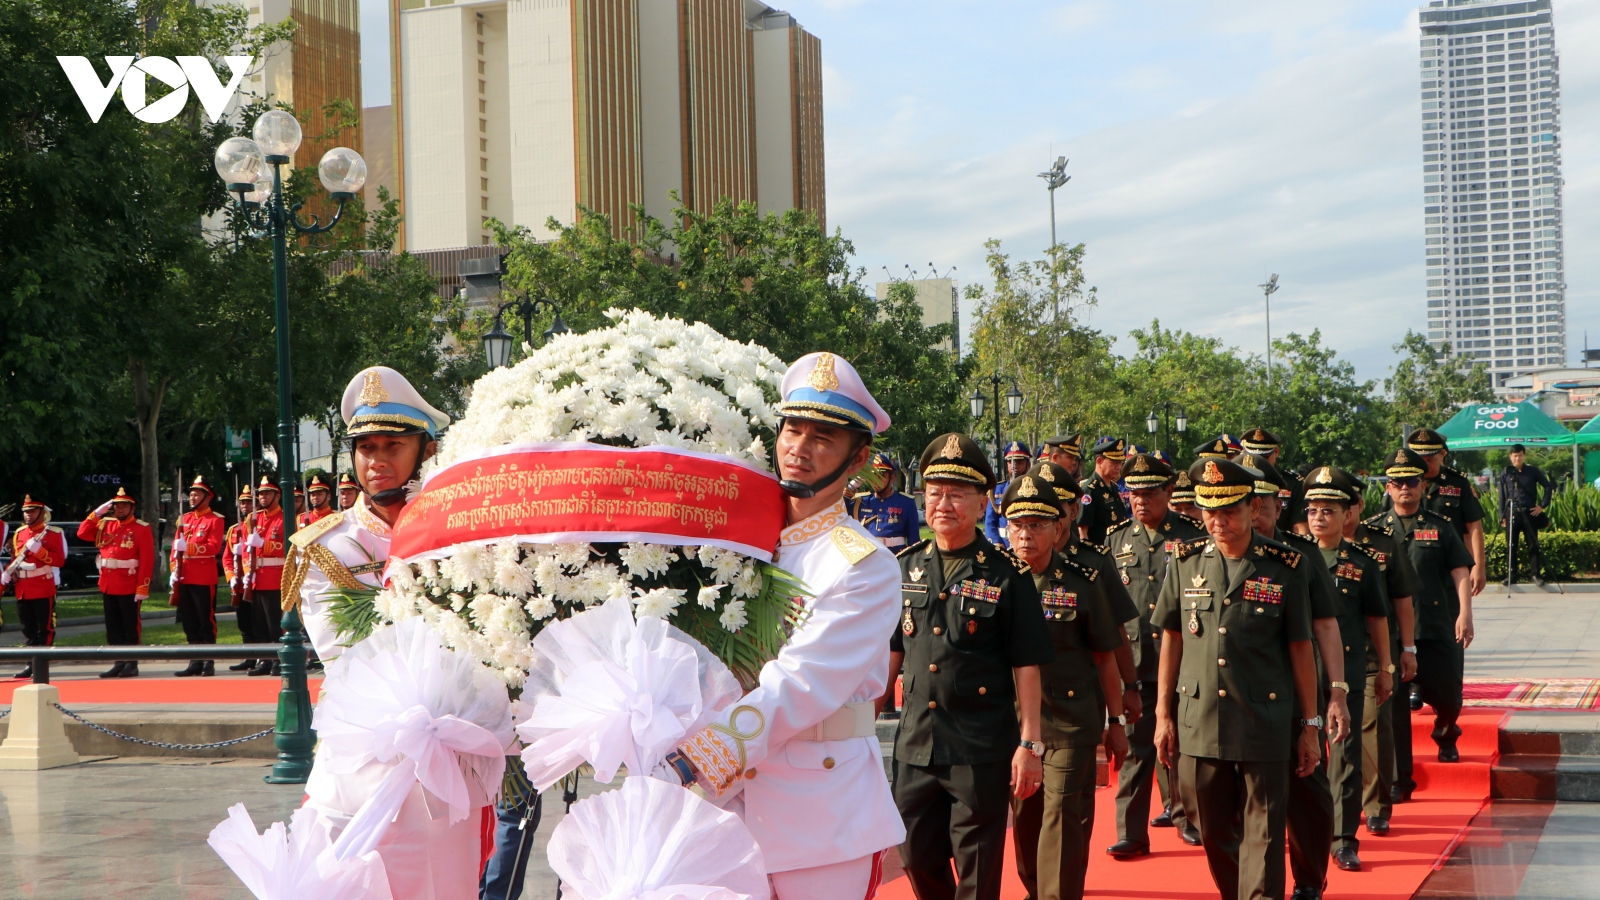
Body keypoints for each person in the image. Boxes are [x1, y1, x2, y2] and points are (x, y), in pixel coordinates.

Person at [654, 352, 905, 900]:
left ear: (858, 458)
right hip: (723, 809)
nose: (800, 447)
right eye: (793, 428)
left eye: (823, 437)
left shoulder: (862, 565)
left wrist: (710, 751)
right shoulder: (736, 543)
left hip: (821, 816)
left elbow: (803, 681)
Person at [287, 366, 483, 900]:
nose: (376, 461)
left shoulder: (464, 535)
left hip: (447, 758)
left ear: (425, 450)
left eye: (393, 445)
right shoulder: (328, 546)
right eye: (365, 446)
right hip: (362, 760)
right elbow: (345, 654)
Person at [871, 432, 1052, 900]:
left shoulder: (1007, 574)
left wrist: (1030, 744)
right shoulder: (903, 567)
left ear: (982, 500)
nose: (943, 504)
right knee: (913, 852)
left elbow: (1027, 665)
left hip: (980, 747)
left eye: (957, 493)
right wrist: (863, 722)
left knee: (977, 870)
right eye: (935, 493)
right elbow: (892, 652)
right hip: (916, 742)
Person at [1153, 459, 1321, 900]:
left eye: (1228, 510)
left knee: (1264, 835)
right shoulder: (1186, 561)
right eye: (1208, 510)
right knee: (1209, 829)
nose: (1217, 520)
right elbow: (1171, 636)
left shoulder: (1286, 565)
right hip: (1200, 718)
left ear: (1252, 508)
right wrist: (1162, 714)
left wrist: (1310, 724)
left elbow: (1301, 648)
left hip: (1264, 720)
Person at [1003, 473, 1130, 900]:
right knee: (1026, 822)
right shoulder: (996, 581)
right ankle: (1038, 890)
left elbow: (1104, 656)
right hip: (1015, 726)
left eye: (1037, 525)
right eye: (1017, 525)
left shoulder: (1080, 582)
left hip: (1070, 724)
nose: (1025, 534)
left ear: (1058, 527)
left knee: (1060, 816)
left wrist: (1117, 720)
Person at [1237, 452, 1351, 900]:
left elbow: (1326, 624)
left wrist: (1336, 693)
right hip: (1236, 701)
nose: (1255, 512)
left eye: (1262, 503)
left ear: (1276, 506)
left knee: (1308, 796)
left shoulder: (1299, 558)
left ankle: (1307, 881)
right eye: (1247, 503)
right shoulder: (1206, 558)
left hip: (1292, 699)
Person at [1105, 452, 1206, 858]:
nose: (1141, 501)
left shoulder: (1192, 535)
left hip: (1183, 658)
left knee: (1182, 744)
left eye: (1149, 493)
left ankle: (1187, 817)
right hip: (1135, 658)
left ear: (1168, 491)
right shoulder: (1116, 541)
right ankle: (1131, 831)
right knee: (1134, 748)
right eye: (1134, 494)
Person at [1300, 467, 1392, 875]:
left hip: (1349, 672)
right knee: (1303, 754)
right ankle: (1303, 834)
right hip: (1301, 672)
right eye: (1314, 510)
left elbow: (1377, 618)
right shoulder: (1295, 557)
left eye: (1329, 510)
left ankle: (1343, 839)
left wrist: (1386, 667)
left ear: (1346, 515)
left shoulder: (1362, 563)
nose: (1320, 517)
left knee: (1346, 756)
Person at [1365, 448, 1474, 764]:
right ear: (1387, 487)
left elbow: (1460, 570)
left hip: (1434, 622)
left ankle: (1445, 733)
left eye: (1411, 482)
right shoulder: (1373, 531)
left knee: (1448, 694)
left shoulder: (1440, 526)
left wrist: (1465, 613)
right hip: (1391, 630)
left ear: (1422, 486)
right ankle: (1400, 774)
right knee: (1393, 702)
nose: (1404, 488)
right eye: (1397, 483)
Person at [1337, 470, 1419, 833]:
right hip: (1327, 658)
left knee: (1373, 731)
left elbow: (1401, 599)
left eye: (1344, 506)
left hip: (1373, 654)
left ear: (1357, 506)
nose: (1336, 514)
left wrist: (1406, 649)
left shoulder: (1383, 544)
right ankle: (1340, 807)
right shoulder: (1307, 549)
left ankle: (1375, 807)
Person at [78, 486, 155, 678]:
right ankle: (118, 661)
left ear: (132, 508)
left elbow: (147, 560)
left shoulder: (141, 528)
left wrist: (142, 586)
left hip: (129, 584)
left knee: (130, 626)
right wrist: (96, 514)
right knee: (113, 627)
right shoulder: (106, 524)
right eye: (117, 506)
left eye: (124, 506)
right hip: (108, 583)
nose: (119, 509)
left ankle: (131, 663)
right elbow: (82, 533)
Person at [1405, 428, 1487, 596]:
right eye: (1420, 460)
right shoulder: (1403, 484)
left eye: (1430, 460)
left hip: (1449, 569)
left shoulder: (1458, 483)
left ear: (1442, 454)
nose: (1425, 465)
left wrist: (1478, 566)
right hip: (1411, 568)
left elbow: (1474, 525)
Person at [168, 475, 226, 678]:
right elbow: (175, 549)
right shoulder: (184, 519)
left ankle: (208, 661)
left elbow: (213, 547)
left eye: (196, 494)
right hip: (184, 576)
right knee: (189, 620)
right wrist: (174, 569)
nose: (192, 498)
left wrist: (190, 547)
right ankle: (194, 660)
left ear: (207, 497)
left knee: (205, 620)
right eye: (191, 494)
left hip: (203, 576)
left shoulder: (215, 520)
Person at [5, 495, 68, 678]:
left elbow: (59, 560)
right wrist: (8, 571)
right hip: (23, 587)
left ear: (42, 512)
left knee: (44, 628)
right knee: (28, 628)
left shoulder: (53, 533)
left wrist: (39, 551)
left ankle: (42, 663)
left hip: (42, 585)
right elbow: (15, 558)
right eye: (25, 512)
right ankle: (30, 662)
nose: (28, 515)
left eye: (32, 511)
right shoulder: (20, 533)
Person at [244, 476, 288, 676]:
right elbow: (247, 550)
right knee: (259, 624)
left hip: (275, 577)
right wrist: (247, 572)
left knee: (274, 624)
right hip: (257, 578)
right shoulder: (254, 518)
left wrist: (265, 545)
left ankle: (278, 660)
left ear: (277, 495)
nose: (263, 497)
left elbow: (288, 547)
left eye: (267, 493)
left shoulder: (285, 518)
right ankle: (265, 660)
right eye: (261, 493)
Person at [1499, 444, 1554, 585]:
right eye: (1515, 455)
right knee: (1511, 546)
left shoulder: (1532, 471)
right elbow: (1501, 496)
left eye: (1520, 455)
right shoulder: (1505, 472)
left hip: (1529, 513)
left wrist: (1542, 506)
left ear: (1524, 456)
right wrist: (1502, 516)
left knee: (1533, 545)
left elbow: (1548, 486)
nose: (1518, 458)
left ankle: (1535, 575)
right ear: (1510, 457)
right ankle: (1511, 575)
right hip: (1511, 512)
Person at [224, 485, 263, 671]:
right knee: (244, 622)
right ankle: (249, 657)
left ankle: (261, 657)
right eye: (242, 503)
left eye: (249, 502)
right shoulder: (234, 530)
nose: (245, 506)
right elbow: (226, 558)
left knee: (259, 621)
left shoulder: (257, 527)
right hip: (240, 583)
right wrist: (231, 576)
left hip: (256, 581)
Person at [850, 452, 922, 553]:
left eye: (881, 476)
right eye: (873, 476)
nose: (876, 481)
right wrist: (854, 484)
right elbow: (838, 505)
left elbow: (914, 540)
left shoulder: (906, 502)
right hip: (868, 557)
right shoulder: (861, 501)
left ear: (892, 478)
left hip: (896, 556)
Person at [985, 441, 1034, 547]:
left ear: (1028, 464)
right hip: (1003, 545)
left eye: (1019, 462)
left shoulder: (1035, 490)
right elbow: (990, 521)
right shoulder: (997, 490)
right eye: (1010, 462)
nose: (1014, 465)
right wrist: (996, 542)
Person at [1081, 438, 1130, 544]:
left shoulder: (1113, 487)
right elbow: (1082, 531)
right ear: (1099, 461)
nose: (1119, 467)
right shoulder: (1089, 491)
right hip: (1100, 553)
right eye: (1114, 462)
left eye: (1121, 462)